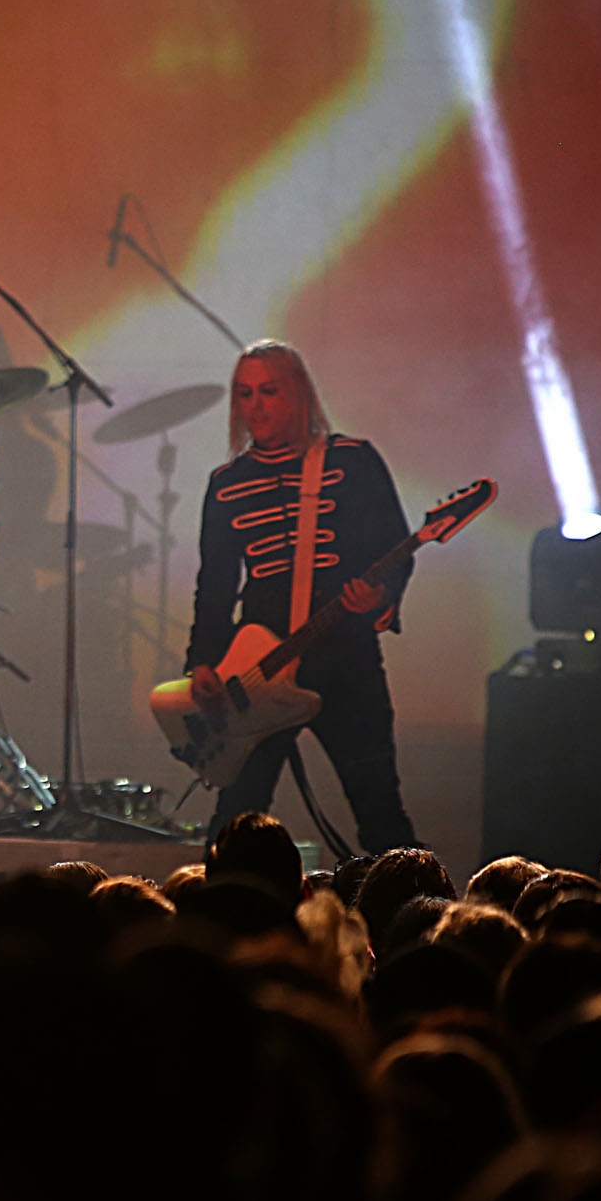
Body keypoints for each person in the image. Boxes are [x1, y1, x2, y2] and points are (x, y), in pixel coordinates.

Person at [185, 339, 417, 855]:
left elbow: (395, 549)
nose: (256, 406)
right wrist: (203, 661)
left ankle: (409, 901)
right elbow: (216, 585)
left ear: (299, 394)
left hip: (346, 661)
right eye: (245, 394)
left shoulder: (352, 461)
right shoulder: (227, 484)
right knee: (234, 822)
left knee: (380, 813)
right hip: (260, 667)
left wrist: (379, 595)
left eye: (269, 391)